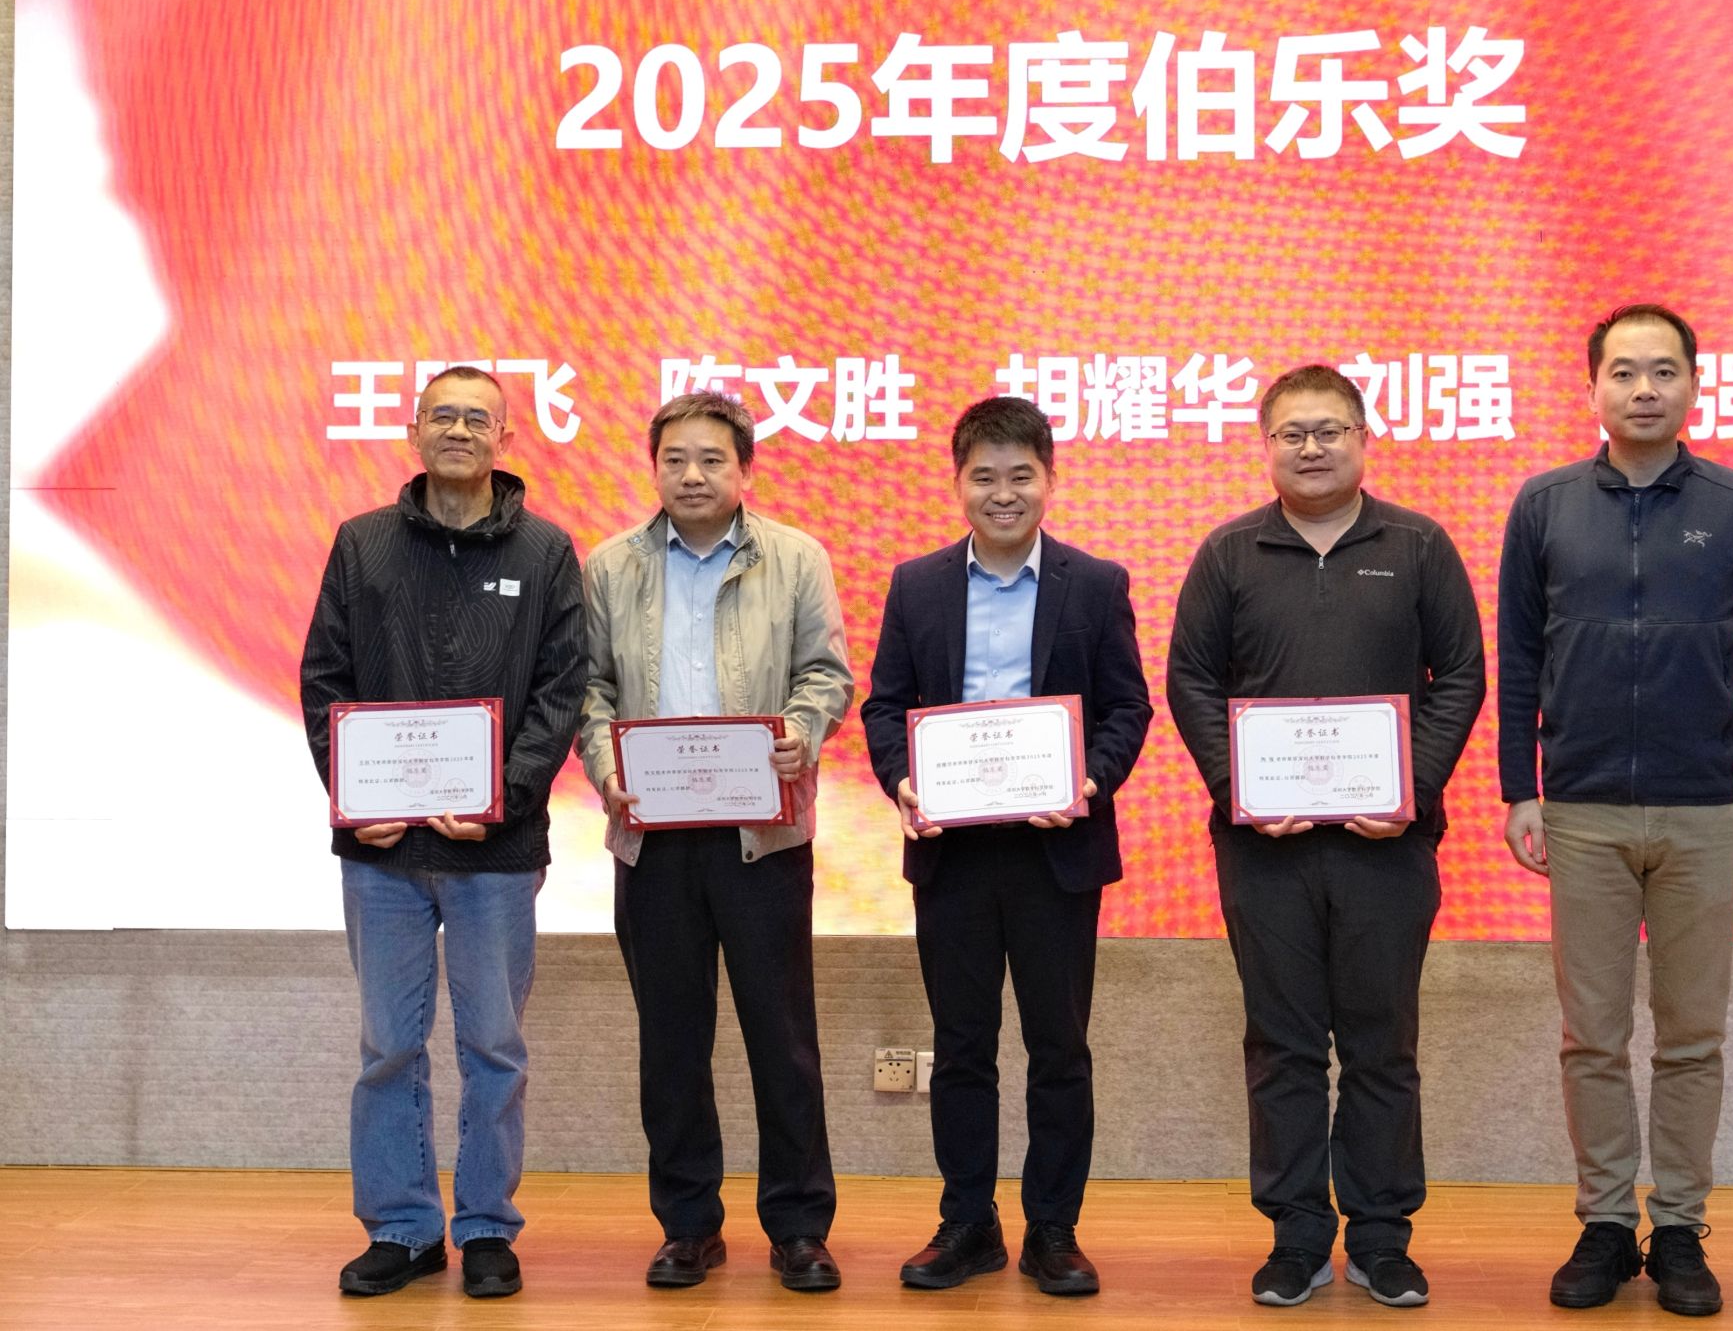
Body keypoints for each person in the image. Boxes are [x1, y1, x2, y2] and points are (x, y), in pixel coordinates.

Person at [1498, 303, 1733, 1318]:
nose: (1643, 388)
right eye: (1624, 371)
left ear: (1692, 385)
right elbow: (1519, 654)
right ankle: (1602, 1221)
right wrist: (1518, 785)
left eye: (1663, 370)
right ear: (1591, 385)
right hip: (1580, 807)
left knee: (1690, 1035)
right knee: (1590, 1034)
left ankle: (1676, 1225)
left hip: (1703, 808)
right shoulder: (1544, 505)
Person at [1166, 363, 1484, 1310]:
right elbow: (1190, 681)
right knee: (1283, 1045)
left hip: (1389, 843)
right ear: (1266, 445)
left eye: (1330, 430)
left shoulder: (1418, 544)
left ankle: (1382, 1236)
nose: (1312, 447)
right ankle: (1298, 1233)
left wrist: (1413, 786)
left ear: (1363, 438)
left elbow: (1462, 674)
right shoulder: (1229, 552)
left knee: (1384, 1045)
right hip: (1264, 848)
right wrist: (1240, 787)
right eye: (1292, 433)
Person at [300, 365, 586, 1300]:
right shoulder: (362, 543)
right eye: (443, 415)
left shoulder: (546, 551)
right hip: (382, 850)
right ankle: (404, 1227)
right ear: (414, 429)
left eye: (478, 417)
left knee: (493, 1045)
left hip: (494, 847)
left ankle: (488, 1225)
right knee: (388, 1044)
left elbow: (561, 691)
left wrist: (502, 795)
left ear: (506, 437)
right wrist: (355, 795)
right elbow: (324, 679)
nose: (459, 430)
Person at [862, 396, 1153, 1296]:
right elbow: (885, 706)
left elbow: (1128, 706)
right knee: (961, 1046)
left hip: (1055, 852)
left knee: (1059, 1045)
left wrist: (1089, 781)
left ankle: (1054, 1228)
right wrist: (902, 779)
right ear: (957, 483)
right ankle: (968, 1221)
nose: (1003, 493)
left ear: (1049, 479)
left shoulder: (1094, 583)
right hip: (953, 853)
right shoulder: (916, 585)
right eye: (984, 476)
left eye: (1021, 475)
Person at [576, 392, 855, 1293]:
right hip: (652, 838)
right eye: (675, 459)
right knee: (671, 1043)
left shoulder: (797, 558)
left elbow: (826, 673)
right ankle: (689, 1225)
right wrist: (606, 769)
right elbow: (589, 690)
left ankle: (799, 1225)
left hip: (761, 835)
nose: (692, 475)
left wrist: (801, 732)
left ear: (745, 468)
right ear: (653, 467)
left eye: (711, 459)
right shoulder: (610, 566)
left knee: (784, 1037)